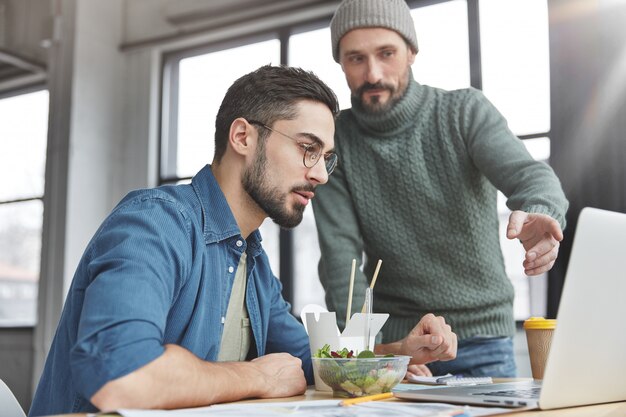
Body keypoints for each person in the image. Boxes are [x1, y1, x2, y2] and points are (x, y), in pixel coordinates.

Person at [29, 65, 456, 416]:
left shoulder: (251, 258)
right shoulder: (154, 223)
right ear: (243, 137)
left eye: (326, 157)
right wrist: (257, 377)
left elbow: (311, 365)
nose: (321, 175)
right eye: (308, 148)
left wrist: (399, 354)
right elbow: (120, 376)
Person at [313, 0, 569, 378]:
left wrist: (540, 208)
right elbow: (342, 267)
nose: (373, 73)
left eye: (387, 54)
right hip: (404, 348)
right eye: (356, 59)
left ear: (411, 52)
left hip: (484, 339)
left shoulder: (464, 112)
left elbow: (531, 176)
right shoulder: (335, 140)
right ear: (340, 62)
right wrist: (375, 357)